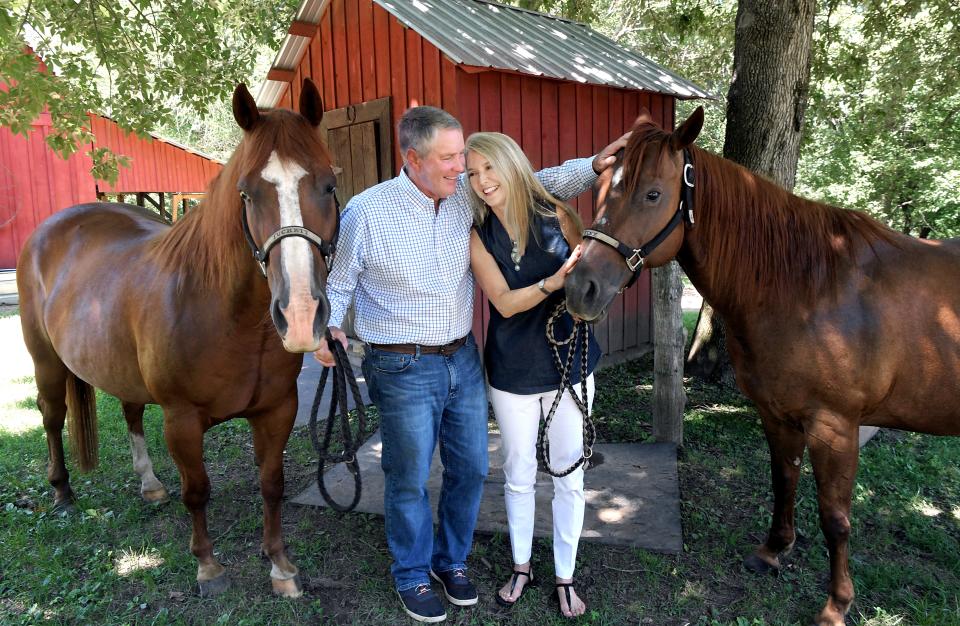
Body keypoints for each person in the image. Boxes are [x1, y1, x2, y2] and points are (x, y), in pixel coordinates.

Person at [315, 106, 625, 623]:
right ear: (412, 158)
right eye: (450, 157)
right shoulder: (367, 213)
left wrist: (593, 165)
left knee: (472, 469)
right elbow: (340, 283)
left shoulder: (463, 192)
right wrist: (327, 328)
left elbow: (532, 179)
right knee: (409, 475)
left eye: (464, 155)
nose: (463, 167)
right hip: (401, 363)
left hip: (461, 357)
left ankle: (451, 561)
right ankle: (412, 573)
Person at [464, 132, 601, 618]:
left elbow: (591, 282)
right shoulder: (478, 235)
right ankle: (521, 565)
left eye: (489, 168)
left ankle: (565, 574)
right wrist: (552, 282)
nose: (482, 181)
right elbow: (502, 300)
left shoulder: (557, 215)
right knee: (518, 472)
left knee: (569, 473)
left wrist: (581, 298)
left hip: (569, 362)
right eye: (473, 172)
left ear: (511, 165)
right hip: (512, 369)